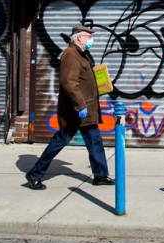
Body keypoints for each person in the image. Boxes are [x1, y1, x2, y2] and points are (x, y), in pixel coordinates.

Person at [25, 24, 114, 190]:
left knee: (95, 142)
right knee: (59, 141)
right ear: (80, 38)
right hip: (76, 111)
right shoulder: (71, 54)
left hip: (86, 109)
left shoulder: (82, 54)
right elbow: (69, 82)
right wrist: (80, 106)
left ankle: (101, 175)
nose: (91, 39)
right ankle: (35, 173)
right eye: (88, 36)